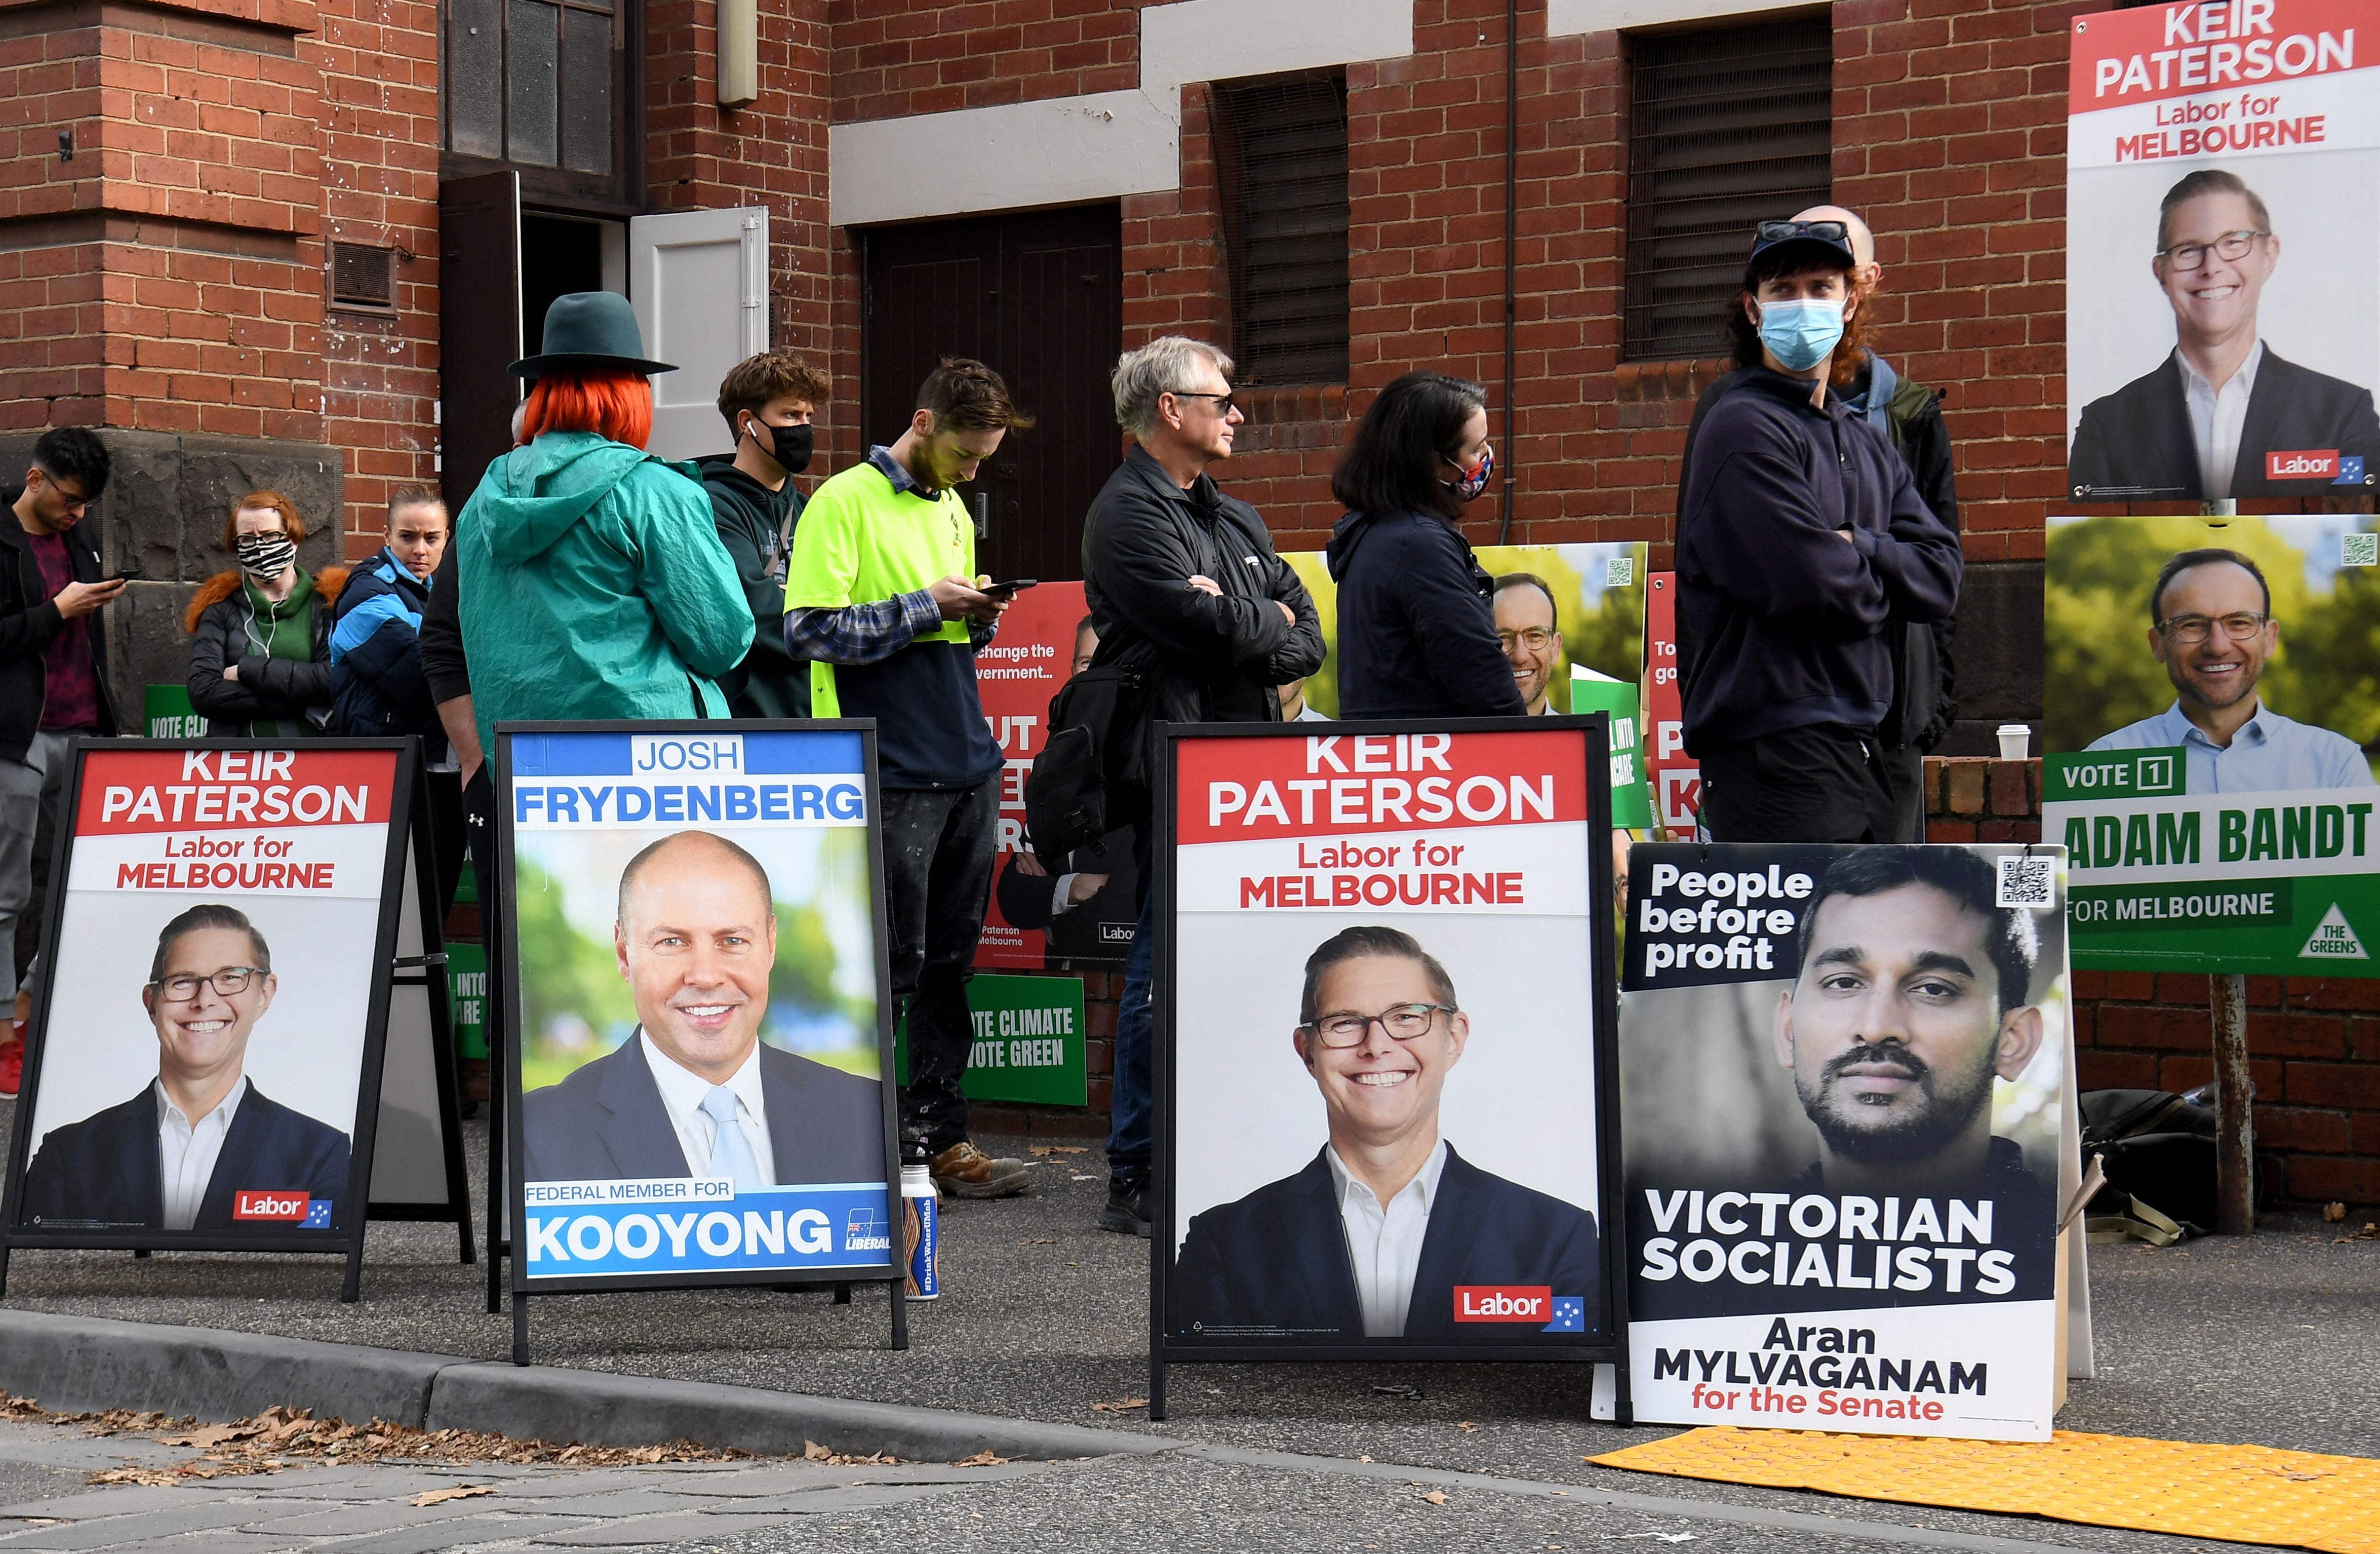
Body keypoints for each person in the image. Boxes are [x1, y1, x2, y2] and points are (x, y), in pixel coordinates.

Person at [1081, 336, 1325, 1235]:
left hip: (1254, 770)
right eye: (1219, 399)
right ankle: (1136, 1171)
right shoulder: (1126, 515)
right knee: (1164, 968)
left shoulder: (1234, 516)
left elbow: (1308, 637)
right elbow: (1200, 625)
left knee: (1248, 964)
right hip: (1179, 768)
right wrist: (1256, 617)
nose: (1236, 412)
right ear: (1169, 410)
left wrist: (1246, 615)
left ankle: (1224, 1148)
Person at [783, 358, 1030, 1199]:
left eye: (984, 458)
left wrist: (980, 617)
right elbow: (809, 630)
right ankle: (864, 1149)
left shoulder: (954, 507)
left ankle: (938, 1136)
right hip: (884, 765)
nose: (972, 472)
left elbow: (948, 644)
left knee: (948, 967)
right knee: (887, 961)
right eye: (964, 453)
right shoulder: (842, 499)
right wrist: (929, 605)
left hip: (964, 757)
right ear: (922, 423)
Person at [1675, 218, 1963, 844]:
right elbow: (1813, 585)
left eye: (1820, 286)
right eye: (1782, 290)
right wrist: (1886, 578)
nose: (1801, 304)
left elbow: (1941, 574)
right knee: (1800, 940)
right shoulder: (1742, 427)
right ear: (1753, 310)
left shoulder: (1861, 438)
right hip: (1771, 750)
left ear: (1850, 300)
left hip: (1860, 744)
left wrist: (1857, 544)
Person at [1171, 926, 1600, 1339]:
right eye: (1344, 1022)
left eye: (1407, 1017)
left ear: (1453, 1039)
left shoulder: (1557, 1240)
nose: (1376, 1045)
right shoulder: (1225, 1245)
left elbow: (1563, 1394)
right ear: (1308, 1053)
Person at [455, 291, 753, 759]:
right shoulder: (653, 490)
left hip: (528, 768)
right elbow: (720, 640)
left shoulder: (481, 503)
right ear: (631, 393)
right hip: (650, 761)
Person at [520, 831, 884, 1186]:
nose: (706, 976)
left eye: (733, 940)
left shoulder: (864, 1114)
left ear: (771, 945)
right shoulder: (539, 1132)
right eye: (672, 941)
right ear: (624, 954)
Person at [20, 905, 349, 1230]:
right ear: (152, 1002)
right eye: (182, 981)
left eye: (231, 977)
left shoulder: (321, 1154)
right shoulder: (68, 1154)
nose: (205, 1000)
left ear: (264, 994)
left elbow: (318, 1276)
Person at [2070, 169, 2380, 501]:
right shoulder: (2105, 428)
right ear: (2162, 273)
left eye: (2233, 242)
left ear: (2269, 256)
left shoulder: (2344, 413)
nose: (2212, 266)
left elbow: (2362, 540)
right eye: (2188, 249)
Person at [1774, 848, 2047, 1198]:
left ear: (2013, 1041)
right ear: (1788, 1030)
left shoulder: (2049, 1248)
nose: (1876, 1028)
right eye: (1843, 983)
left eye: (1934, 989)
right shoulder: (1726, 1244)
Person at [0, 428, 121, 1092]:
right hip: (16, 736)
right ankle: (4, 1039)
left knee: (85, 886)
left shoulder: (79, 537)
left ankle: (30, 1009)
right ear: (37, 479)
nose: (77, 516)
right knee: (9, 892)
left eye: (87, 507)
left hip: (82, 731)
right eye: (70, 501)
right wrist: (55, 611)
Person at [2087, 548, 2376, 792]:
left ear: (2270, 638)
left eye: (2239, 622)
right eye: (2191, 625)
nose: (2218, 646)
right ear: (2158, 645)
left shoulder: (2336, 766)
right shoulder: (2105, 764)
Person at [1324, 372, 1525, 719]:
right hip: (1441, 761)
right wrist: (1529, 741)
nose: (1486, 457)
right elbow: (1479, 671)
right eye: (1476, 449)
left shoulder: (1374, 534)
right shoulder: (1418, 545)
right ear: (1434, 463)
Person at [331, 487, 464, 904]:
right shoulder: (365, 594)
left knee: (434, 909)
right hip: (390, 777)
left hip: (441, 769)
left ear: (447, 539)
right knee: (399, 913)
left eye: (432, 538)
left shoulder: (449, 590)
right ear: (387, 536)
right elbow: (424, 675)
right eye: (408, 537)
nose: (420, 550)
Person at [997, 618, 1138, 969]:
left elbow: (1133, 906)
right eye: (1087, 664)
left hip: (1133, 990)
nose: (1096, 676)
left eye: (1112, 662)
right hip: (1063, 991)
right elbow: (1013, 894)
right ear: (1072, 670)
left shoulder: (1153, 764)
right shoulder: (1056, 766)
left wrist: (1053, 905)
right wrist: (1075, 888)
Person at [702, 350, 829, 719]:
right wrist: (823, 615)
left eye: (808, 416)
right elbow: (756, 614)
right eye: (790, 415)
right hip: (749, 723)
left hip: (818, 716)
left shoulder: (812, 510)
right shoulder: (710, 505)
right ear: (748, 423)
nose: (803, 428)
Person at [186, 491, 346, 738]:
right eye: (247, 539)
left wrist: (246, 670)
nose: (260, 547)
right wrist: (299, 698)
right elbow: (204, 692)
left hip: (317, 761)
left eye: (271, 536)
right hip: (239, 763)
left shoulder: (328, 602)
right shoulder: (219, 609)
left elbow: (334, 680)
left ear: (293, 539)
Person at [1492, 573, 1562, 715]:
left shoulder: (1582, 737)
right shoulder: (1451, 737)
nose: (1520, 656)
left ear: (1556, 648)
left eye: (1535, 636)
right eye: (1504, 637)